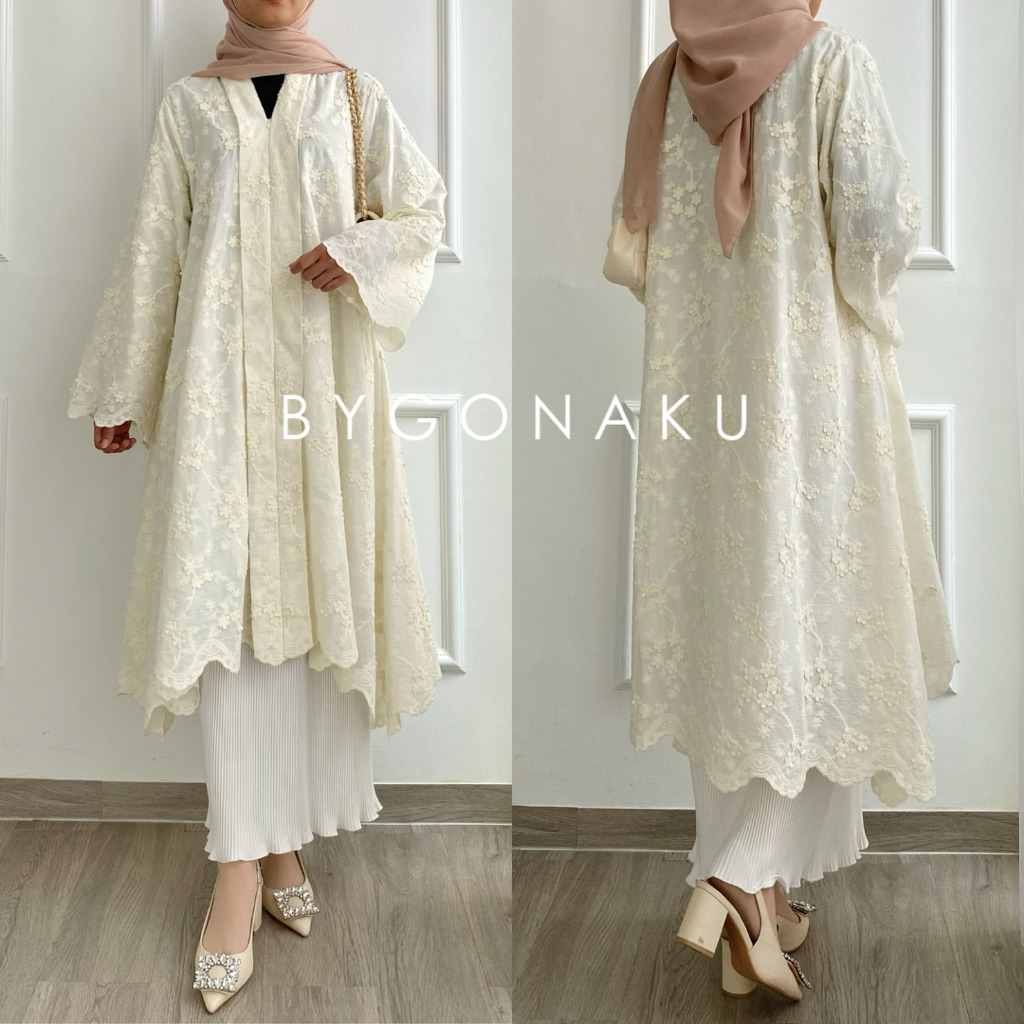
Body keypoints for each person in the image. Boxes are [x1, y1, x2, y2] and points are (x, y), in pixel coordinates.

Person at [66, 0, 447, 1012]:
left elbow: (423, 212)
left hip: (325, 395)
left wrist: (358, 251)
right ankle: (239, 865)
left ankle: (281, 847)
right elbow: (155, 248)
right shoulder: (190, 109)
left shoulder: (355, 96)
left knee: (310, 608)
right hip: (218, 397)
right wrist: (123, 388)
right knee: (225, 621)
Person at [610, 0, 958, 1002]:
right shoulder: (830, 61)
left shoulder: (669, 77)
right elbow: (878, 225)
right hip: (812, 399)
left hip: (700, 409)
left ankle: (759, 896)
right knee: (826, 627)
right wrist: (852, 299)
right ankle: (737, 877)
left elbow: (647, 249)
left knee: (733, 640)